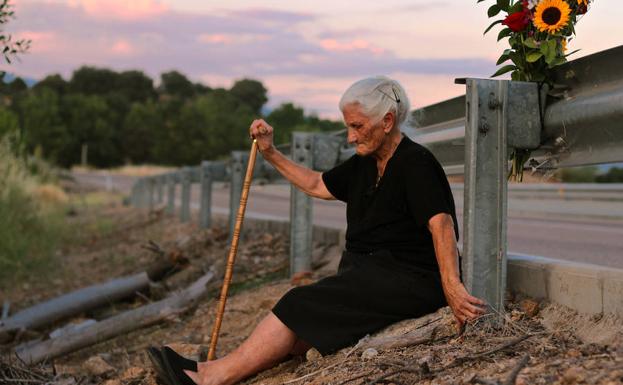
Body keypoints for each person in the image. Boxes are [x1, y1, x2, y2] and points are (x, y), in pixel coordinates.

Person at [150, 76, 487, 385]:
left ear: (387, 121)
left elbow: (440, 224)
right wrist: (270, 152)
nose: (351, 136)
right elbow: (316, 184)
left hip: (408, 279)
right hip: (370, 274)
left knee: (299, 302)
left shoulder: (416, 162)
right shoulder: (364, 163)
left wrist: (452, 287)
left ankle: (210, 378)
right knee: (300, 333)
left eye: (357, 126)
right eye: (348, 127)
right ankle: (210, 368)